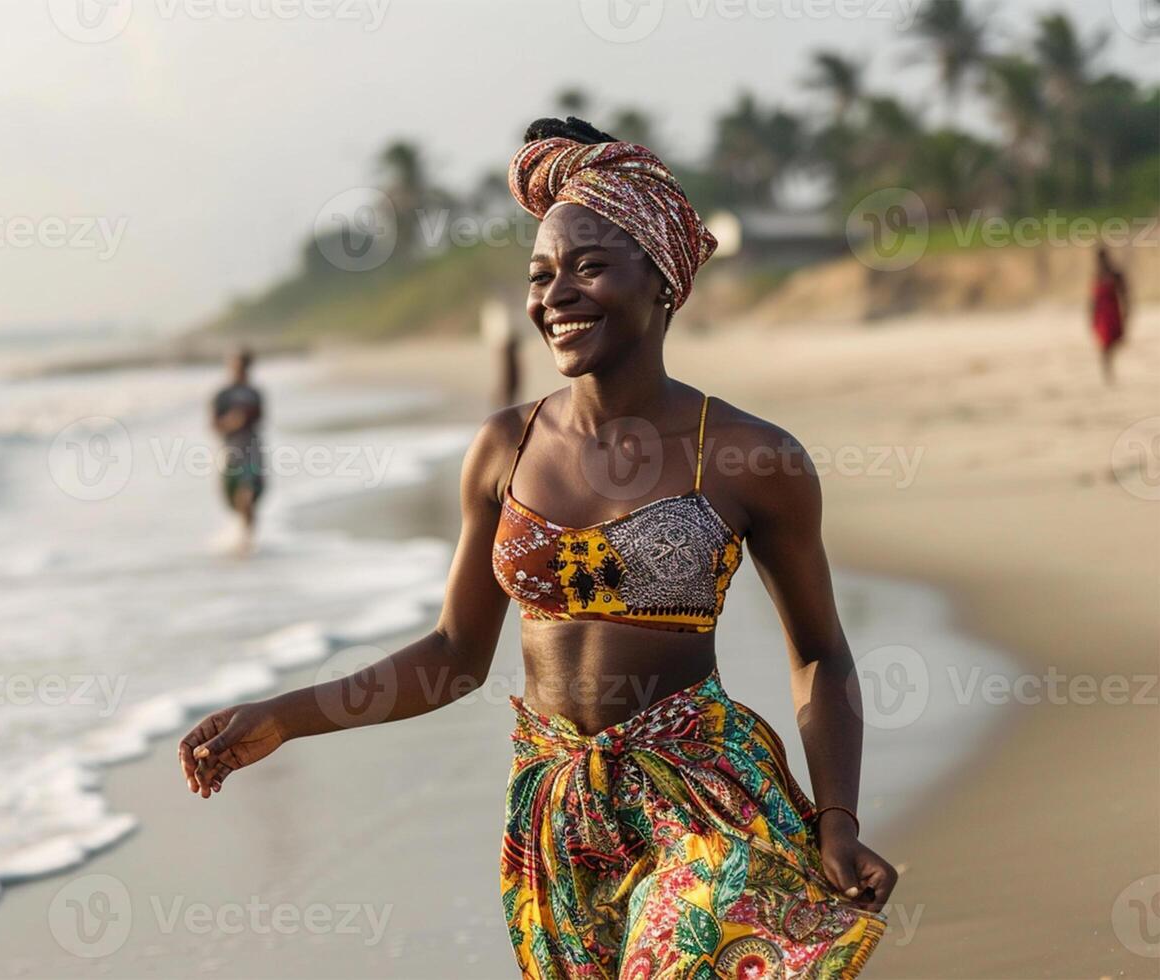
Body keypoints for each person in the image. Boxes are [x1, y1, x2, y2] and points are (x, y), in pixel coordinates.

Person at [180, 116, 895, 977]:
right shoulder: (503, 449)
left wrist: (837, 819)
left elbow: (820, 651)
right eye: (542, 273)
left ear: (663, 281)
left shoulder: (749, 455)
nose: (556, 294)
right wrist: (283, 718)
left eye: (590, 266)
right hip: (553, 812)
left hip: (702, 795)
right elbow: (453, 656)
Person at [211, 347, 264, 554]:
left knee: (247, 496)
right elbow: (214, 425)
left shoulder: (255, 394)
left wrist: (245, 419)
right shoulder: (222, 395)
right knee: (232, 500)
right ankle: (241, 534)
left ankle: (247, 540)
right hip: (229, 453)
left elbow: (260, 419)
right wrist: (231, 423)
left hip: (252, 451)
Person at [1090, 247, 1129, 386]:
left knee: (1112, 343)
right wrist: (1092, 318)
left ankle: (1109, 370)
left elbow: (1125, 294)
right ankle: (1108, 372)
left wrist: (1126, 313)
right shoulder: (1097, 275)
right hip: (1103, 315)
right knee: (1105, 345)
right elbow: (1093, 300)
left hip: (1112, 313)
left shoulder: (1114, 274)